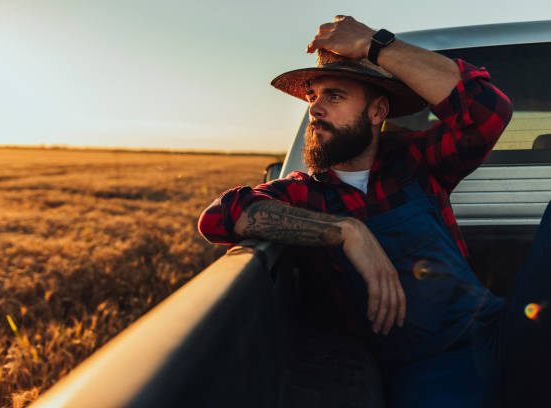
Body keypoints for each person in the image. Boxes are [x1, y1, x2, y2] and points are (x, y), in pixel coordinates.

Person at [198, 16, 550, 407]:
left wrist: (373, 44)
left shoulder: (414, 160)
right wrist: (345, 230)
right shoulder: (302, 194)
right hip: (429, 368)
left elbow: (488, 112)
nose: (315, 110)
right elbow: (220, 215)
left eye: (334, 96)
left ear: (378, 111)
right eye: (313, 97)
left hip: (501, 328)